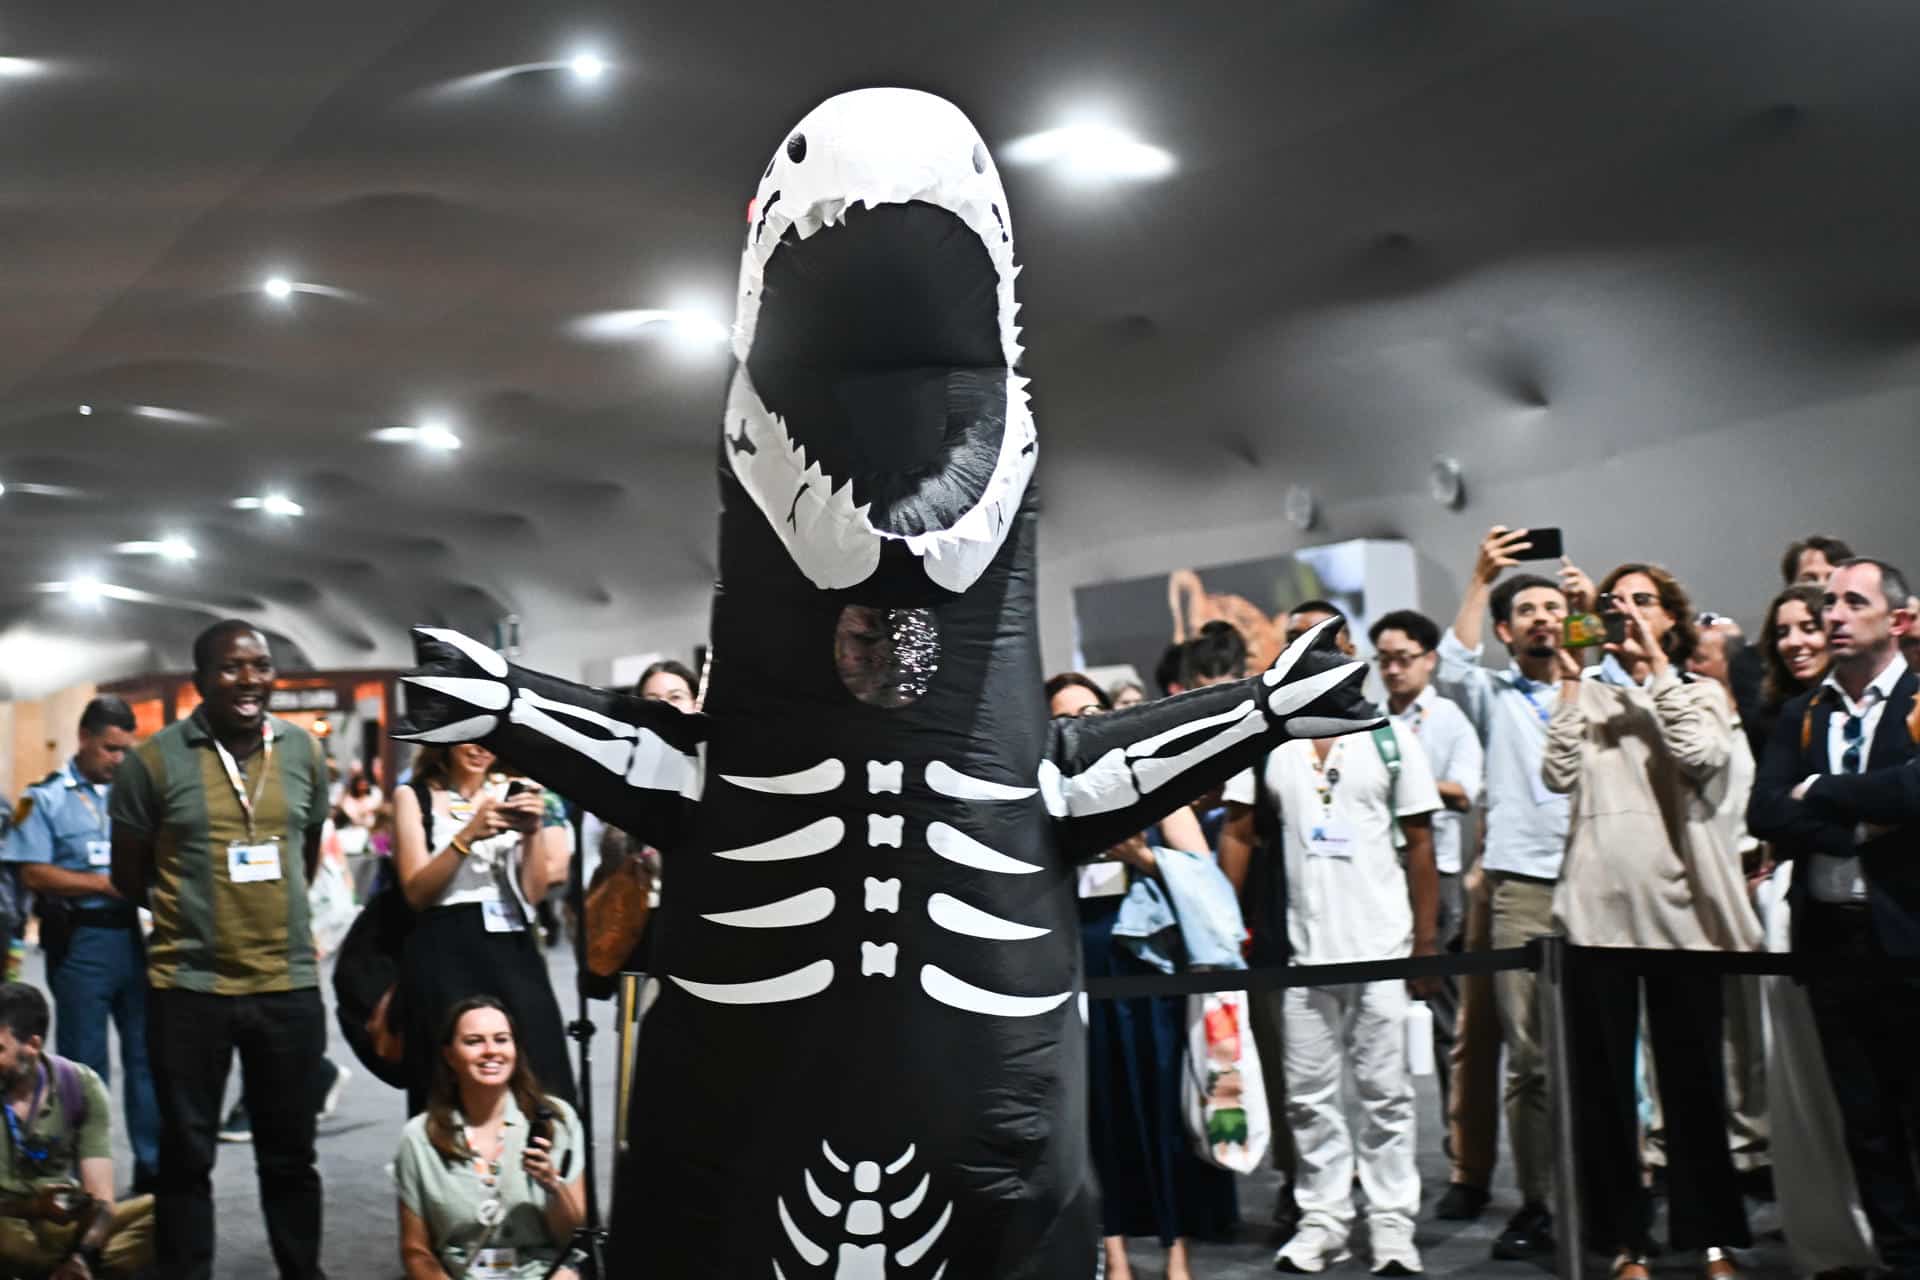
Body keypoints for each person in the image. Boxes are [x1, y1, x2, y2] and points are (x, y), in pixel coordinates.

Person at [1545, 562, 1757, 1280]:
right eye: (1618, 602)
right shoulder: (1589, 691)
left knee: (1695, 1087)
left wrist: (1660, 671)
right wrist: (1573, 678)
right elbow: (1556, 772)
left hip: (1681, 915)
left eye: (1645, 601)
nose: (1630, 612)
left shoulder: (1699, 693)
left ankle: (1713, 1240)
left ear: (1671, 615)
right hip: (1596, 916)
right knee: (1605, 1093)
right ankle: (1624, 1242)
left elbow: (1701, 756)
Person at [108, 619, 331, 1280]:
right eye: (232, 667)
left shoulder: (302, 752)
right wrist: (194, 914)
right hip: (189, 986)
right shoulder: (155, 761)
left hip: (286, 984)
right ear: (201, 679)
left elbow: (306, 855)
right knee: (187, 1153)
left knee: (291, 1152)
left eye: (260, 665)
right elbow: (129, 875)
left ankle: (302, 1269)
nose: (250, 679)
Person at [1239, 608, 1440, 1277]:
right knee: (1308, 1096)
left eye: (1330, 637)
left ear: (1350, 648)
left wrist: (1427, 943)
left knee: (1385, 1093)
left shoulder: (1389, 736)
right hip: (1301, 954)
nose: (1317, 647)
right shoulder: (1271, 739)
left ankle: (1390, 1226)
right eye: (1299, 637)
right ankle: (1323, 1219)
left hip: (1382, 948)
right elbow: (1240, 830)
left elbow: (1420, 844)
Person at [1750, 558, 1920, 1279]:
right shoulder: (1803, 711)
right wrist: (1850, 825)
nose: (1835, 616)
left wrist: (1821, 791)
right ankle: (1902, 1258)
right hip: (1830, 940)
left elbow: (1915, 794)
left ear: (1899, 619)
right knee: (1867, 1120)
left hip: (1908, 934)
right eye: (1830, 604)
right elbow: (1766, 811)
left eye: (1854, 602)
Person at [1048, 673, 1234, 1280]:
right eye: (1066, 717)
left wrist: (1142, 857)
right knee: (1098, 1119)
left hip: (1147, 973)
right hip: (1079, 979)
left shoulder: (1155, 786)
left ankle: (1176, 1251)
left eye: (1092, 711)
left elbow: (1207, 885)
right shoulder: (1044, 800)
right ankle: (1117, 1253)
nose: (1083, 725)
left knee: (1161, 1111)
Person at [1431, 527, 1573, 1261]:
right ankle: (1543, 1202)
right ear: (1510, 632)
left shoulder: (1598, 686)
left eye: (1556, 607)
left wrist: (1593, 622)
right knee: (1532, 1059)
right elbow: (1452, 665)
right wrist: (1483, 575)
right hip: (1523, 886)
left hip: (1600, 884)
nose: (1545, 617)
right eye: (1531, 610)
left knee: (1607, 1049)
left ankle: (1619, 1183)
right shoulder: (1494, 696)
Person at [3, 697, 157, 1192]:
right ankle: (84, 1182)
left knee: (146, 1059)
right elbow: (33, 871)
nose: (118, 759)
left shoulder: (131, 796)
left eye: (125, 751)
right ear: (84, 738)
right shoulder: (40, 798)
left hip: (132, 939)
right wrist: (105, 885)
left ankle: (152, 1173)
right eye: (111, 749)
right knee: (85, 1068)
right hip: (78, 942)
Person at [1367, 610, 1485, 1219]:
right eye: (1383, 658)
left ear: (1430, 659)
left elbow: (1466, 791)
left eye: (1403, 657)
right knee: (1371, 1019)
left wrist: (1405, 780)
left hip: (1433, 875)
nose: (1392, 668)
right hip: (1372, 875)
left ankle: (1461, 1160)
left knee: (1445, 1025)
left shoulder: (1449, 720)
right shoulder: (1368, 721)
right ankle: (1377, 1164)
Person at [392, 742, 575, 1116]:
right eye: (468, 736)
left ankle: (545, 1162)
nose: (480, 749)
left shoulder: (514, 788)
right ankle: (449, 1162)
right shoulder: (414, 795)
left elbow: (534, 891)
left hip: (512, 943)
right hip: (444, 945)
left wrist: (532, 832)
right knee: (447, 1072)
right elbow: (415, 891)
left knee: (540, 1063)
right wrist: (466, 836)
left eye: (490, 738)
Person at [394, 996, 584, 1279]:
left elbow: (572, 1238)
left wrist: (553, 1186)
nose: (491, 1051)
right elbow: (416, 1250)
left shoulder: (555, 1120)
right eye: (474, 1041)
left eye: (501, 1039)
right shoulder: (419, 1137)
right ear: (449, 1055)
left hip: (541, 1272)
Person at [0, 983, 154, 1278]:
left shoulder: (80, 1085)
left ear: (32, 1045)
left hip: (61, 1222)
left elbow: (102, 1200)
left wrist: (84, 1254)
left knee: (170, 1211)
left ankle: (70, 1269)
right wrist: (33, 1208)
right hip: (8, 1220)